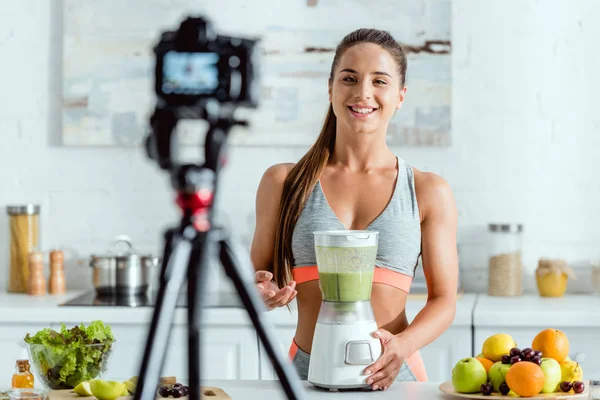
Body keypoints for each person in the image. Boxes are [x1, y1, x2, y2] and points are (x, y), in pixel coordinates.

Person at [250, 28, 458, 391]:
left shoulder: (428, 190)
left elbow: (444, 300)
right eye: (350, 78)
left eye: (380, 81)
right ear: (330, 87)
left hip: (395, 373)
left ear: (400, 96)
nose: (363, 92)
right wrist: (262, 292)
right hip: (306, 374)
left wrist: (403, 346)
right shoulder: (283, 183)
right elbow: (258, 277)